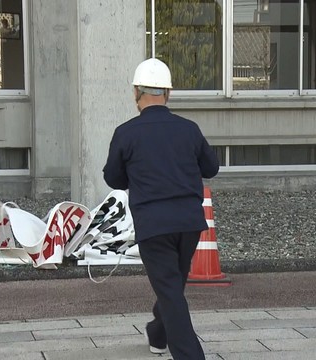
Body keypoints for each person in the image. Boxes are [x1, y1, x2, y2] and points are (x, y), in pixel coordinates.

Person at [103, 58, 219, 360]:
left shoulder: (126, 133)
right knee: (172, 285)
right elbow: (212, 167)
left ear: (135, 92)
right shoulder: (189, 129)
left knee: (169, 289)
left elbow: (113, 178)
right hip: (190, 224)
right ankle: (158, 333)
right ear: (167, 94)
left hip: (153, 225)